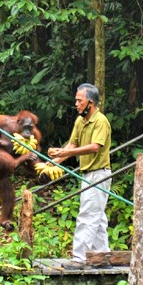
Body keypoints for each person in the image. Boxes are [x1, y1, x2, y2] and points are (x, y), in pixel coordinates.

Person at [48, 83, 112, 264]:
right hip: (87, 174)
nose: (76, 104)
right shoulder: (80, 121)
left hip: (99, 174)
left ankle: (79, 258)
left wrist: (65, 152)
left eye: (79, 101)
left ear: (90, 103)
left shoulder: (100, 121)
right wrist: (53, 162)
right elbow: (72, 144)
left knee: (87, 216)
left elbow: (95, 147)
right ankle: (102, 256)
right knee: (97, 217)